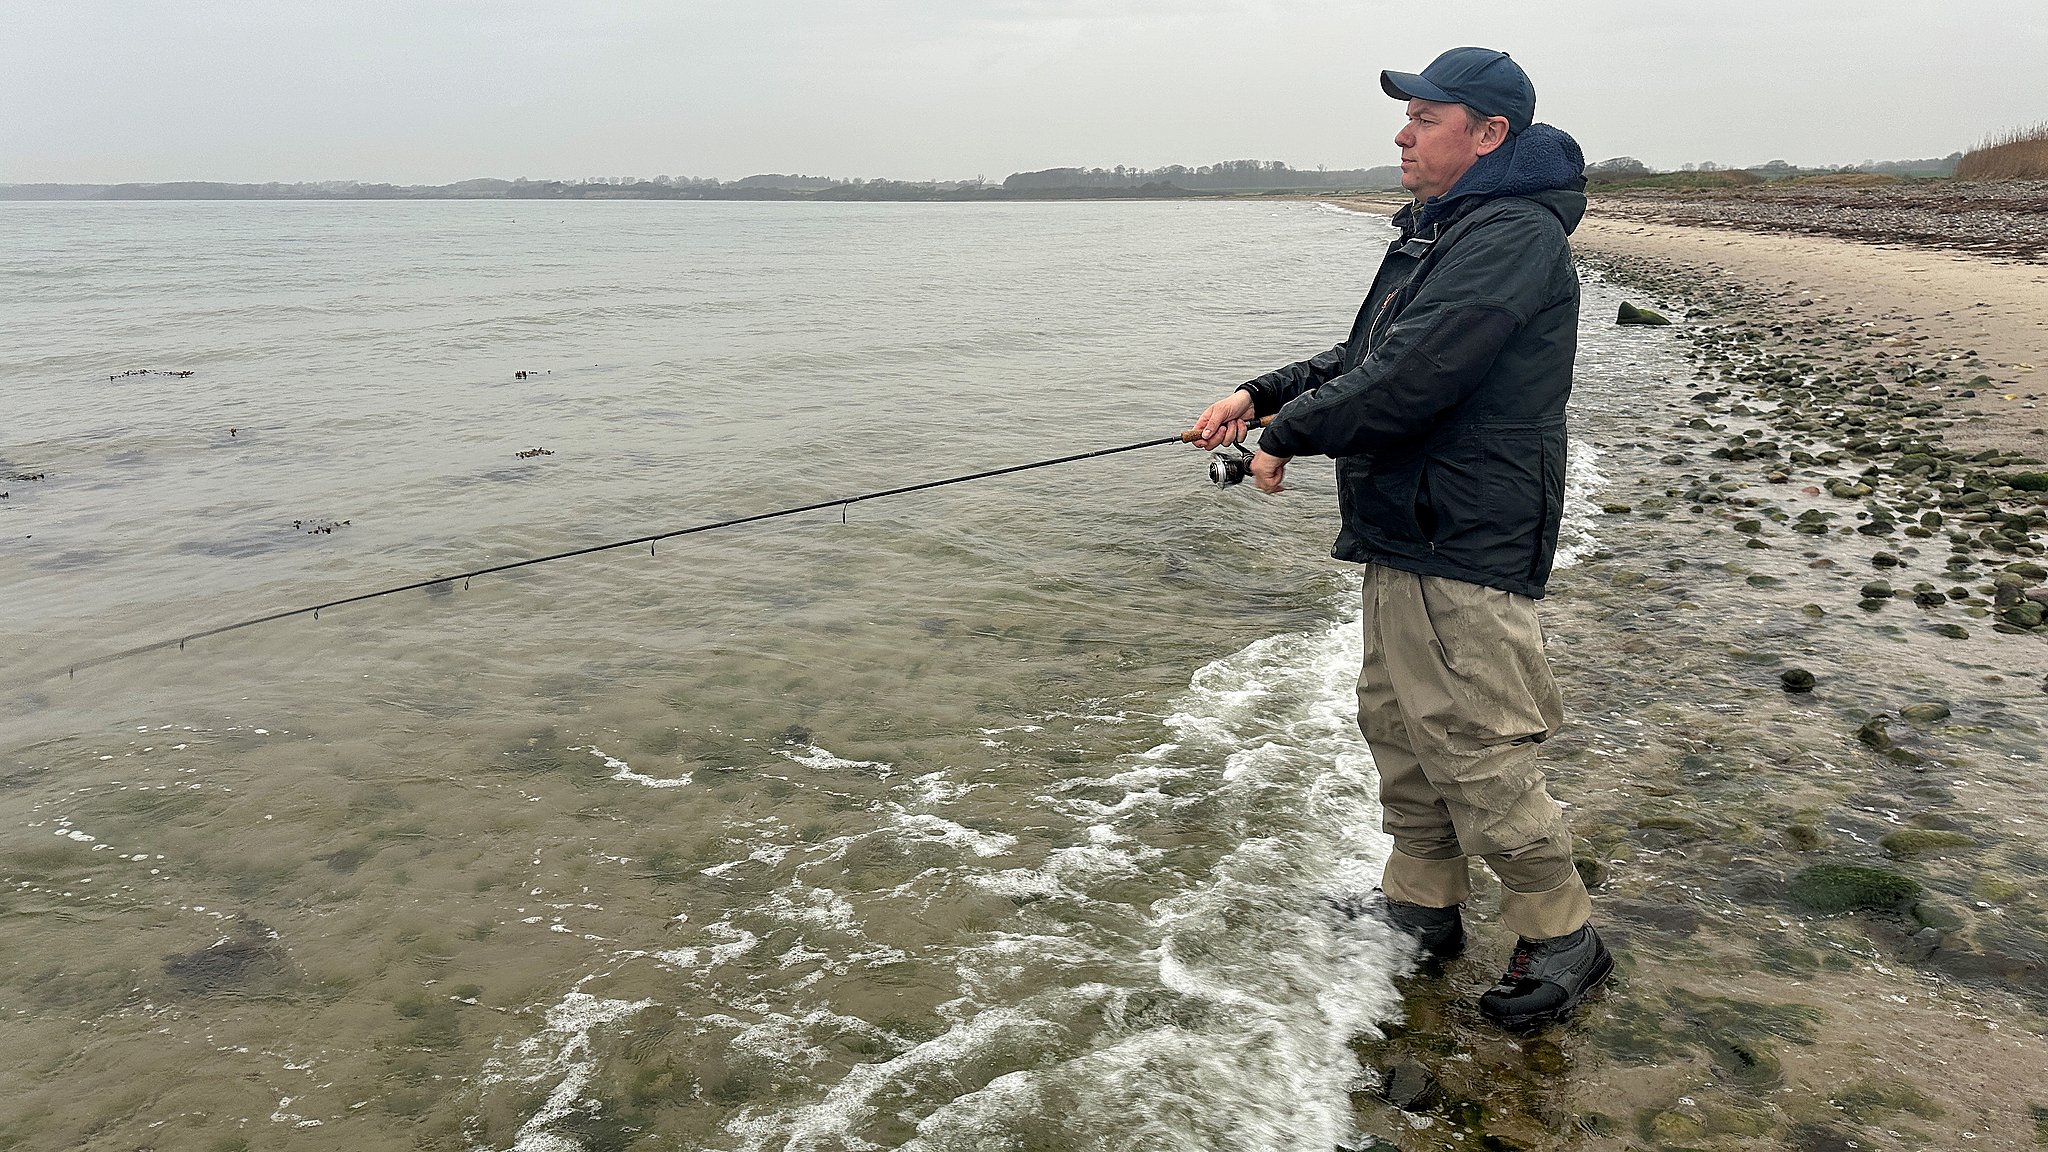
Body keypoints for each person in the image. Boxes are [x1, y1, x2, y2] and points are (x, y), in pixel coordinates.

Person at [1190, 46, 1609, 1032]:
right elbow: (1362, 353)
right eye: (1407, 117)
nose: (1400, 135)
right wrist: (1259, 393)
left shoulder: (1510, 234)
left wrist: (1284, 438)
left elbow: (1415, 373)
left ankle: (1562, 933)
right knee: (1399, 724)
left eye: (1424, 118)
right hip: (1407, 523)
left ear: (1486, 134)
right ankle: (1421, 910)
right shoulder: (1443, 231)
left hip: (1467, 529)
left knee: (1473, 738)